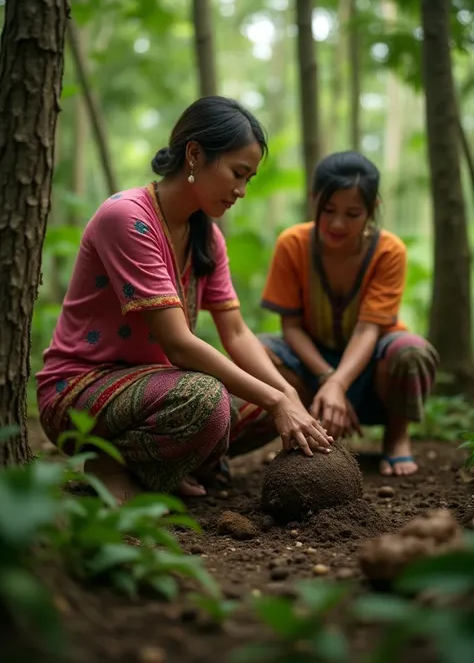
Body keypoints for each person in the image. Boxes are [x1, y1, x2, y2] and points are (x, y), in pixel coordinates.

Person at [36, 96, 332, 503]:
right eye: (237, 173)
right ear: (194, 154)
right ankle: (113, 465)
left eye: (249, 180)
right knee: (207, 400)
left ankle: (179, 463)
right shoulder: (127, 218)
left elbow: (237, 333)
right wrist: (277, 398)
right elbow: (177, 343)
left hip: (159, 393)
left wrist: (287, 396)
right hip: (80, 393)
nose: (242, 191)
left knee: (278, 390)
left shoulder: (206, 237)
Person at [259, 151, 439, 477]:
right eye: (328, 210)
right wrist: (328, 378)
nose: (338, 223)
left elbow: (368, 329)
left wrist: (340, 382)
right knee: (256, 353)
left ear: (373, 209)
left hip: (372, 368)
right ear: (314, 199)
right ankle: (301, 430)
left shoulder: (389, 251)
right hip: (311, 369)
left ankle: (397, 439)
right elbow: (291, 327)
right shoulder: (292, 244)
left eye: (353, 213)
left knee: (412, 352)